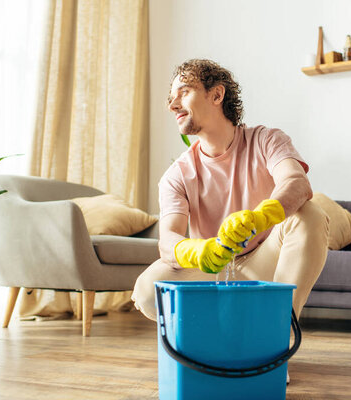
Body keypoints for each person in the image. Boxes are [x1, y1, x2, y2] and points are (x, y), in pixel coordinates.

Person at [131, 59, 329, 326]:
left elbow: (297, 183)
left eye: (184, 92)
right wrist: (200, 251)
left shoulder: (266, 140)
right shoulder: (177, 175)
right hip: (213, 269)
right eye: (171, 97)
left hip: (266, 262)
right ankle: (219, 336)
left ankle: (275, 331)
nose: (172, 105)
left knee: (310, 215)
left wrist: (260, 218)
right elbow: (167, 240)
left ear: (216, 94)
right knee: (147, 291)